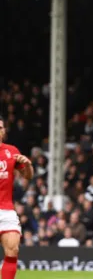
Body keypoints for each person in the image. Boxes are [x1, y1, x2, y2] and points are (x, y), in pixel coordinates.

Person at [0, 116, 34, 279]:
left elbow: (28, 176)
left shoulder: (11, 151)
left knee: (13, 250)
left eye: (0, 127)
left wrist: (27, 165)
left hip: (6, 209)